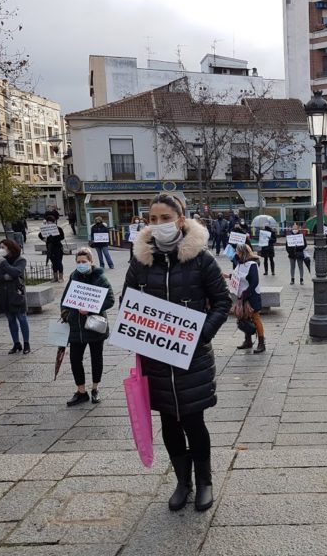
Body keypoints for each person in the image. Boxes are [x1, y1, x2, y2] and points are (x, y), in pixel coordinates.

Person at [125, 193, 231, 512]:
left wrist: (200, 335)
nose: (158, 225)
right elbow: (127, 302)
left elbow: (222, 302)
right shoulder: (141, 261)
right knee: (169, 423)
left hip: (192, 359)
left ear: (180, 221)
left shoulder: (200, 259)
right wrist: (135, 325)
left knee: (193, 421)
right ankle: (182, 482)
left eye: (164, 218)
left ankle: (205, 482)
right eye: (152, 219)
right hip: (156, 360)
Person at [61, 247, 115, 406]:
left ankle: (95, 388)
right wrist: (65, 313)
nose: (81, 264)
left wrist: (90, 308)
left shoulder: (100, 279)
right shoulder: (74, 277)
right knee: (75, 359)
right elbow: (65, 299)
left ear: (91, 262)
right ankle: (81, 391)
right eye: (78, 262)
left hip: (94, 326)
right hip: (76, 327)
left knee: (96, 358)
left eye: (84, 262)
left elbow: (110, 300)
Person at [0, 239, 30, 354]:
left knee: (22, 318)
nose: (1, 249)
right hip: (4, 295)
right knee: (10, 320)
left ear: (10, 248)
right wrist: (4, 277)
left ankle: (26, 343)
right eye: (0, 247)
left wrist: (4, 264)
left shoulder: (20, 259)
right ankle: (16, 343)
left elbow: (16, 272)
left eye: (3, 247)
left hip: (16, 294)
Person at [234, 244, 266, 354]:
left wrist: (246, 292)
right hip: (242, 296)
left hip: (252, 295)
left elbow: (254, 282)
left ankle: (261, 343)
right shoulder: (239, 264)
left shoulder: (252, 265)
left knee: (255, 318)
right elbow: (236, 277)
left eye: (238, 251)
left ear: (243, 252)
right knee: (244, 318)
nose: (236, 253)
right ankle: (248, 341)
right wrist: (227, 276)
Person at [39, 214, 66, 282]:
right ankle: (55, 277)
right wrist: (44, 239)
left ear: (54, 222)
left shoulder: (58, 228)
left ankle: (61, 277)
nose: (49, 223)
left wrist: (55, 238)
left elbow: (62, 237)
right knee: (53, 263)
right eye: (48, 221)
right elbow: (40, 234)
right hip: (50, 248)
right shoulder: (45, 228)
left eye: (51, 221)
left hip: (58, 247)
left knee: (59, 262)